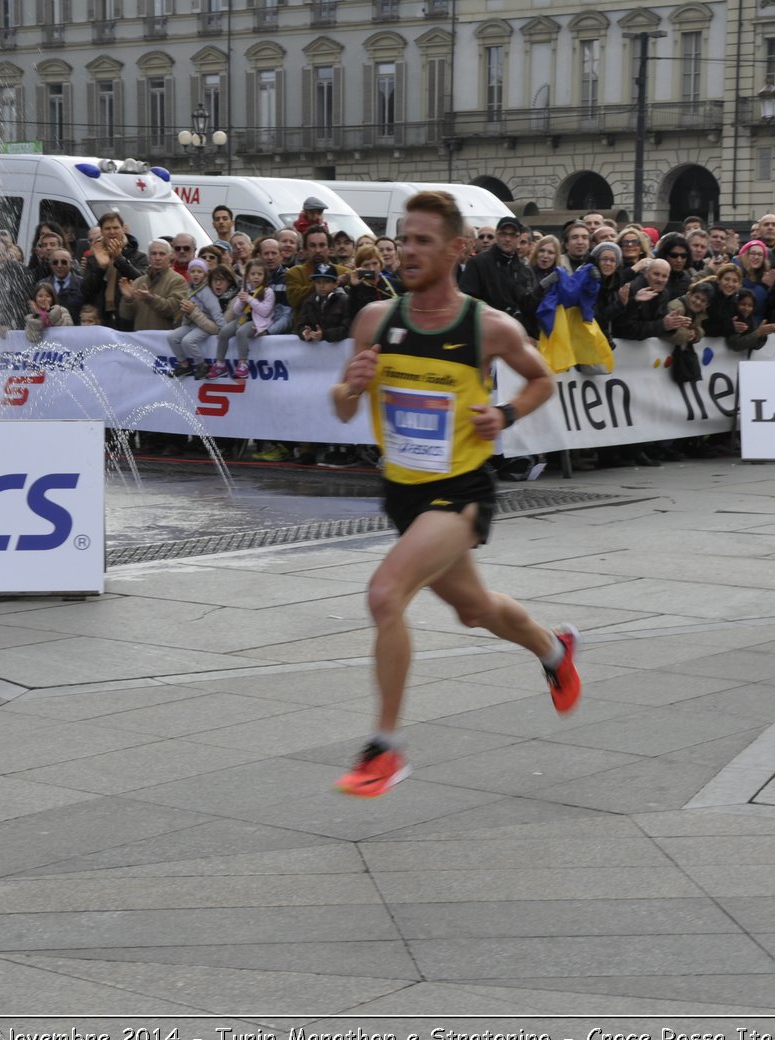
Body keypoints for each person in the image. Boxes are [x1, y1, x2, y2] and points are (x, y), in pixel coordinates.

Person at [328, 190, 581, 798]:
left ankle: (385, 749)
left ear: (456, 249)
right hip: (404, 494)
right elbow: (340, 411)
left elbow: (543, 379)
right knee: (474, 610)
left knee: (385, 595)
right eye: (403, 239)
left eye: (422, 241)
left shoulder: (488, 327)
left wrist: (505, 413)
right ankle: (553, 650)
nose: (407, 251)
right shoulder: (374, 321)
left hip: (462, 492)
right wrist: (352, 388)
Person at [213, 258, 274, 383]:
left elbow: (265, 311)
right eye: (253, 274)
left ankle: (243, 364)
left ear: (264, 275)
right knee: (224, 332)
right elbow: (236, 311)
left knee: (241, 332)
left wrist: (250, 299)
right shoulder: (245, 289)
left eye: (259, 274)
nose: (256, 277)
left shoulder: (268, 291)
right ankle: (220, 364)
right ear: (248, 276)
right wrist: (241, 300)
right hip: (243, 319)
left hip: (258, 322)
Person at [166, 258, 224, 375]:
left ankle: (202, 365)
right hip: (194, 323)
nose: (196, 274)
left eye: (199, 271)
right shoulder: (190, 290)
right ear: (188, 274)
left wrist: (223, 330)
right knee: (172, 337)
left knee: (188, 341)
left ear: (205, 275)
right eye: (193, 271)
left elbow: (216, 312)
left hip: (208, 324)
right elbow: (187, 312)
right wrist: (183, 326)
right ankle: (184, 364)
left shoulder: (206, 291)